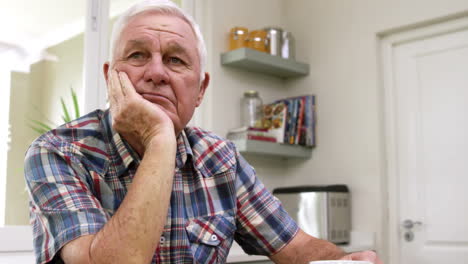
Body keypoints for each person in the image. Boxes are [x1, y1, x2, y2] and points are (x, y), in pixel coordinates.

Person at [24, 0, 383, 263]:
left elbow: (294, 246)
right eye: (136, 55)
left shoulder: (221, 159)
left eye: (176, 60)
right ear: (109, 76)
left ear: (201, 90)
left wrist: (345, 260)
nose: (156, 72)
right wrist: (160, 139)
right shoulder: (58, 152)